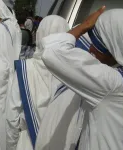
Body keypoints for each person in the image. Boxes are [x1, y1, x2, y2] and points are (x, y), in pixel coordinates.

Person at [41, 7, 123, 150]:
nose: (91, 49)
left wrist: (84, 26)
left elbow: (52, 51)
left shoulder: (113, 85)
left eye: (97, 44)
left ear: (114, 48)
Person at [6, 15, 84, 150]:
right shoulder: (78, 71)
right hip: (66, 141)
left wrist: (11, 146)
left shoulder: (25, 69)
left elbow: (11, 118)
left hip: (28, 142)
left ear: (40, 36)